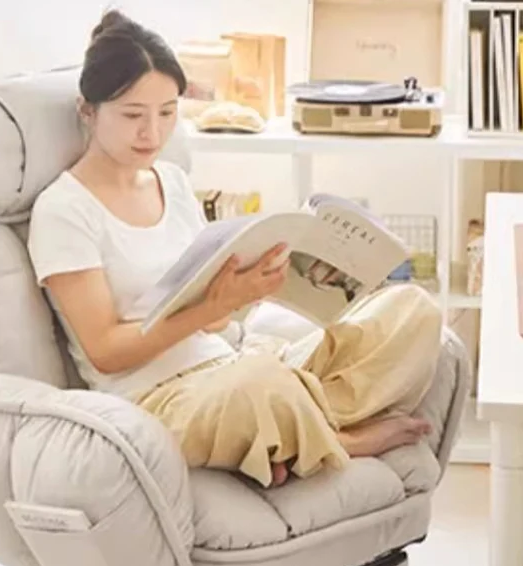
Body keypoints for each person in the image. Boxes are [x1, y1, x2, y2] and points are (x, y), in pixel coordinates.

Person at [27, 9, 442, 488]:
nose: (153, 133)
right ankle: (342, 439)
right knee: (260, 385)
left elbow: (219, 322)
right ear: (89, 109)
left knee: (413, 311)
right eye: (132, 116)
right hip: (161, 401)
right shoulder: (63, 210)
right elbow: (104, 351)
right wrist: (215, 310)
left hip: (230, 363)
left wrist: (242, 292)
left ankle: (290, 430)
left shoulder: (174, 183)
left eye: (166, 113)